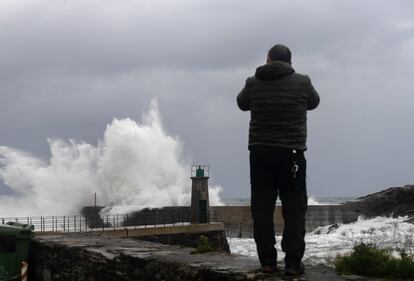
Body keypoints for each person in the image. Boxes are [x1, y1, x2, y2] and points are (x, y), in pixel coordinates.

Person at [237, 44, 320, 276]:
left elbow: (241, 103)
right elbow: (314, 102)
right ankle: (292, 263)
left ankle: (267, 262)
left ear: (268, 60)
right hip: (292, 154)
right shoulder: (303, 82)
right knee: (294, 208)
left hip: (260, 154)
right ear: (291, 62)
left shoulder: (253, 82)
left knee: (262, 209)